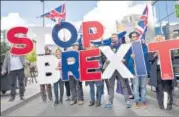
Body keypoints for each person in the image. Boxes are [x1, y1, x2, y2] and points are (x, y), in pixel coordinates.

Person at [148, 35, 177, 110]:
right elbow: (150, 59)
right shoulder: (152, 49)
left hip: (167, 70)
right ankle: (161, 104)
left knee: (168, 88)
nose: (159, 41)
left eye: (160, 39)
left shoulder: (168, 49)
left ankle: (169, 104)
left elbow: (172, 58)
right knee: (159, 88)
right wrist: (156, 53)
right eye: (157, 40)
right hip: (157, 71)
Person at [104, 33, 132, 108]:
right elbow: (105, 57)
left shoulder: (121, 46)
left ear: (117, 38)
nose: (113, 38)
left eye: (114, 37)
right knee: (111, 86)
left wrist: (124, 59)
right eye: (112, 37)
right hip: (112, 68)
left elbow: (127, 55)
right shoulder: (108, 47)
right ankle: (110, 102)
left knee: (124, 85)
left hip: (120, 68)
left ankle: (127, 101)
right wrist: (106, 60)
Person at [125, 31, 149, 109]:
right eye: (133, 37)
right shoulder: (128, 47)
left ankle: (143, 100)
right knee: (135, 86)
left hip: (143, 69)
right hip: (134, 70)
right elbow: (126, 58)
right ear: (130, 38)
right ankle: (137, 101)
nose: (135, 38)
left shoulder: (143, 45)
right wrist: (130, 57)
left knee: (143, 86)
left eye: (136, 36)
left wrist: (140, 53)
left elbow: (146, 54)